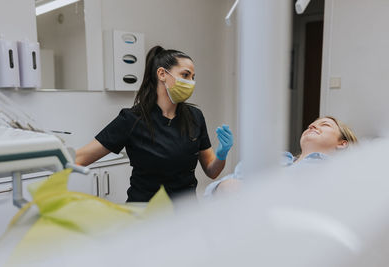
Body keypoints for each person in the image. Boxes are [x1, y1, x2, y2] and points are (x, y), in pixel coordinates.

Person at [76, 46, 233, 202]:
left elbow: (212, 172)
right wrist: (53, 156)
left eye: (193, 77)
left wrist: (221, 155)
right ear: (162, 74)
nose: (191, 82)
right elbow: (79, 158)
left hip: (186, 213)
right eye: (185, 75)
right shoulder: (132, 119)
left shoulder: (195, 117)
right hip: (146, 213)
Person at [204, 116, 358, 197]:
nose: (313, 126)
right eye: (312, 124)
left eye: (325, 125)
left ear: (342, 143)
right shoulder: (275, 158)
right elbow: (211, 191)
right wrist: (224, 187)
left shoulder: (335, 171)